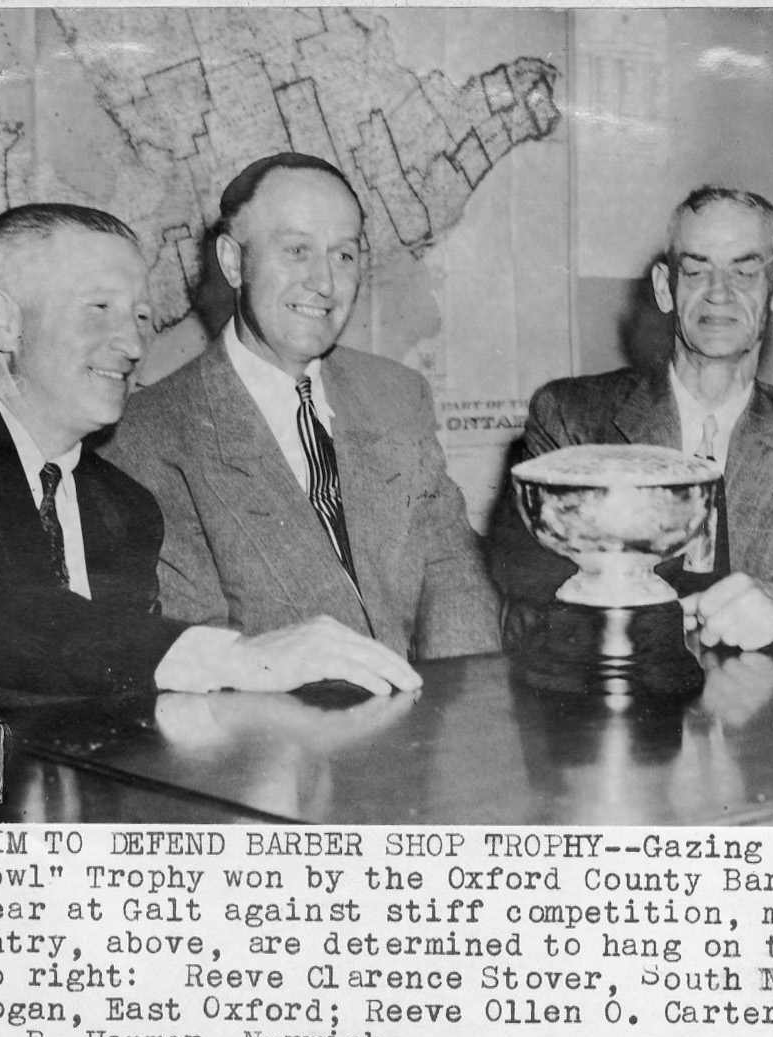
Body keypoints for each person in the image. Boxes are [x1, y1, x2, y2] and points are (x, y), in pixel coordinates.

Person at [0, 202, 423, 697]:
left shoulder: (126, 509)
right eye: (99, 308)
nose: (132, 343)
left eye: (142, 316)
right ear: (4, 321)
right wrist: (231, 657)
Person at [106, 154, 499, 661]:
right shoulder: (151, 435)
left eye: (344, 256)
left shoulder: (398, 395)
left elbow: (452, 573)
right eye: (296, 250)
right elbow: (203, 650)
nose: (325, 283)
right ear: (232, 261)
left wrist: (461, 708)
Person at [490, 185, 773, 651]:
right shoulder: (572, 417)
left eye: (746, 271)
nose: (719, 293)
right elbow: (529, 584)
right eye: (695, 270)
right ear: (664, 288)